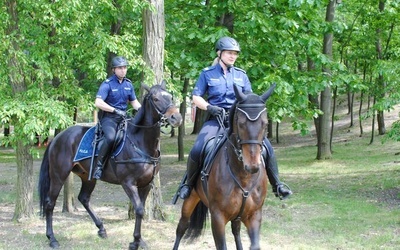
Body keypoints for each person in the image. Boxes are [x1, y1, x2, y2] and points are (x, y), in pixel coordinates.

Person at [179, 37, 292, 200]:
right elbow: (196, 97)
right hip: (215, 119)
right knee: (198, 148)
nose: (232, 56)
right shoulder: (207, 74)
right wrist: (210, 107)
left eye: (235, 54)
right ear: (220, 53)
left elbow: (249, 97)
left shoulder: (241, 75)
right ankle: (188, 185)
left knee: (267, 147)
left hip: (239, 121)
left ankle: (278, 185)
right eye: (229, 53)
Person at [93, 56, 142, 179]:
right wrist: (115, 110)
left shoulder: (128, 84)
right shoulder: (107, 84)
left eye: (125, 67)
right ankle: (98, 167)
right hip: (109, 119)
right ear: (114, 69)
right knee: (110, 138)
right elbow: (98, 102)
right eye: (120, 68)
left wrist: (142, 110)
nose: (123, 70)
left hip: (124, 118)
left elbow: (134, 102)